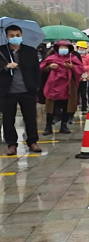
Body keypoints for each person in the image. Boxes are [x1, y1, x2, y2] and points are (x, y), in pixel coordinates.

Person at [0, 25, 42, 155]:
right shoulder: (1, 51)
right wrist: (6, 67)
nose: (15, 38)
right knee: (8, 120)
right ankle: (12, 144)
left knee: (30, 118)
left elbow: (36, 70)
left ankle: (33, 142)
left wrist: (37, 87)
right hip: (7, 92)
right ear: (7, 37)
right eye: (12, 36)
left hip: (27, 90)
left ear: (21, 35)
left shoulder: (30, 51)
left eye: (17, 35)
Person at [40, 41, 83, 136]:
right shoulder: (51, 58)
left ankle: (64, 125)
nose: (63, 49)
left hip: (68, 85)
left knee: (67, 106)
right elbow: (41, 67)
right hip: (53, 84)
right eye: (61, 47)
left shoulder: (73, 58)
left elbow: (80, 69)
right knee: (51, 107)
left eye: (65, 47)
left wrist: (72, 67)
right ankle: (48, 126)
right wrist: (49, 67)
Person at [76, 41, 89, 113]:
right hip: (76, 76)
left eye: (83, 48)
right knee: (76, 92)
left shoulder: (88, 56)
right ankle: (75, 106)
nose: (81, 49)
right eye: (80, 48)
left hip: (85, 76)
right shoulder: (74, 56)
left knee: (83, 92)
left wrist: (81, 68)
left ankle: (84, 107)